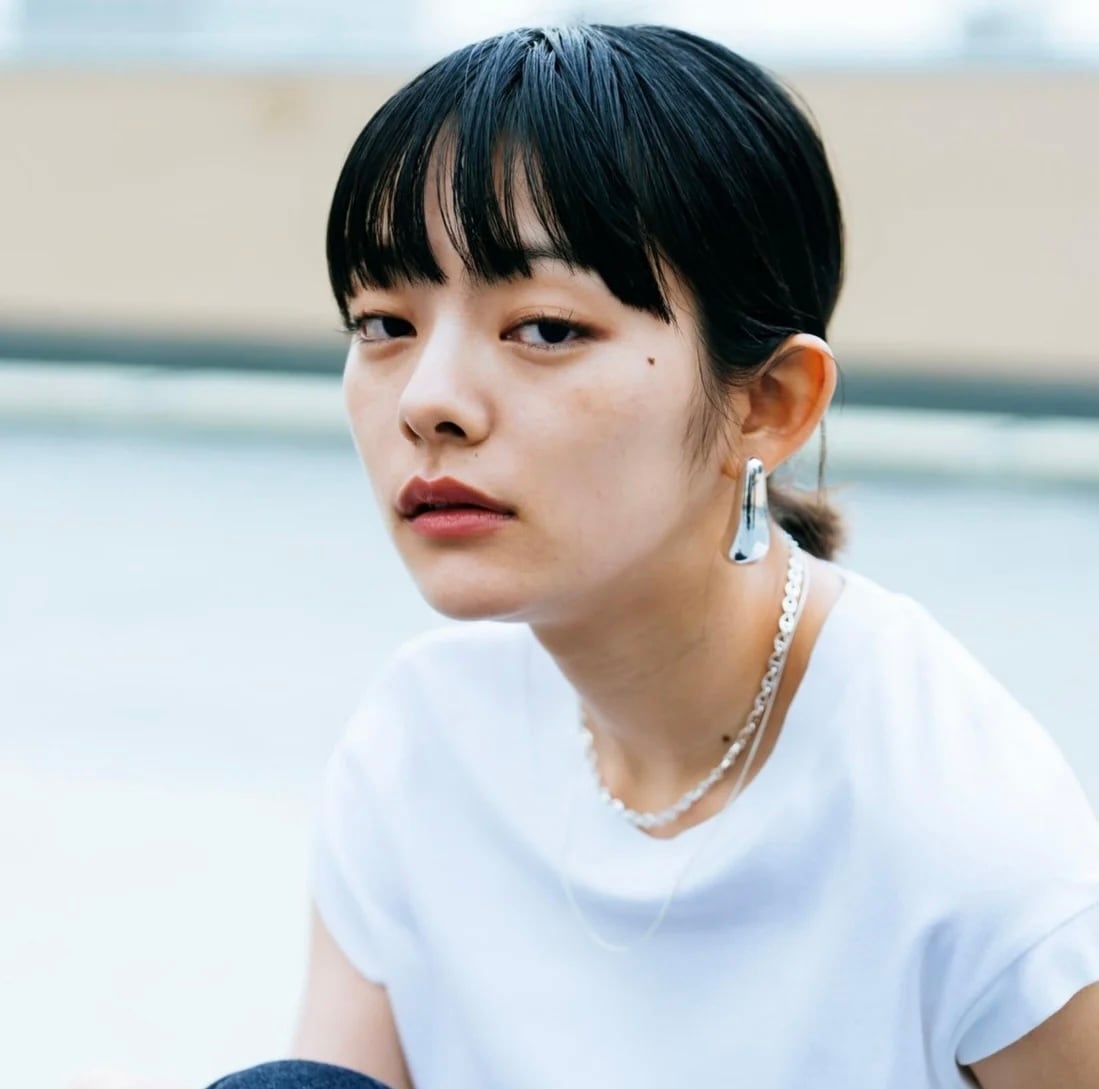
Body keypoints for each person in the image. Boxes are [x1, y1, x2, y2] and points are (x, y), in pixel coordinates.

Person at [212, 23, 1099, 1089]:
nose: (428, 401)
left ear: (766, 403)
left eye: (544, 328)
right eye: (381, 323)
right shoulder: (422, 743)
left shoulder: (967, 836)